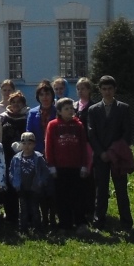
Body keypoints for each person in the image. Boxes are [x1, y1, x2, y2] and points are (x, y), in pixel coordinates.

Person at [87, 75, 134, 231]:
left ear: (115, 90)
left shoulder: (123, 108)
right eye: (104, 89)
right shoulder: (93, 110)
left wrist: (114, 151)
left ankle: (126, 223)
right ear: (100, 90)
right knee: (101, 191)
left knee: (121, 190)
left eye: (110, 89)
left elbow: (127, 133)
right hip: (100, 157)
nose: (107, 92)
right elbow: (91, 133)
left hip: (118, 156)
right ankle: (99, 221)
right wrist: (101, 152)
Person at [45, 97, 90, 235]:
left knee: (77, 196)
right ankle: (64, 224)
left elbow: (83, 146)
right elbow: (49, 146)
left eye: (72, 108)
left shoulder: (78, 125)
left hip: (76, 167)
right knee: (62, 197)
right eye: (66, 109)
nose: (70, 111)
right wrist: (51, 165)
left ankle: (80, 223)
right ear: (59, 111)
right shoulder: (53, 125)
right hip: (60, 168)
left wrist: (84, 165)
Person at [26, 80, 57, 228]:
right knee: (41, 187)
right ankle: (43, 218)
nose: (45, 97)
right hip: (38, 154)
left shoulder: (58, 110)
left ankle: (53, 217)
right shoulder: (32, 113)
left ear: (52, 95)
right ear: (38, 96)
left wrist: (50, 148)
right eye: (42, 94)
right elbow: (29, 134)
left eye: (48, 93)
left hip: (56, 154)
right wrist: (38, 149)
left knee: (54, 188)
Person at [0, 89, 30, 226]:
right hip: (7, 156)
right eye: (13, 102)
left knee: (24, 186)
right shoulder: (3, 117)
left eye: (19, 102)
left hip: (24, 155)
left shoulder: (28, 116)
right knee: (9, 186)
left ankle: (26, 217)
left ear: (23, 104)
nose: (16, 104)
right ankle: (11, 216)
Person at [8, 131, 49, 233]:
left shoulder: (38, 157)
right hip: (21, 188)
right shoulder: (16, 158)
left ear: (34, 144)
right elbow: (11, 171)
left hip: (34, 188)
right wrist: (14, 182)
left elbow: (45, 171)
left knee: (35, 208)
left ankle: (37, 228)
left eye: (29, 143)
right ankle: (23, 228)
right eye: (24, 143)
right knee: (23, 209)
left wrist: (41, 182)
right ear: (21, 144)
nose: (27, 146)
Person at [74, 77, 96, 224]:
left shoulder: (93, 107)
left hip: (89, 145)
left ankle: (90, 209)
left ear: (89, 90)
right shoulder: (74, 106)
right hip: (76, 145)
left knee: (89, 178)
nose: (81, 91)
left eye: (84, 88)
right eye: (79, 89)